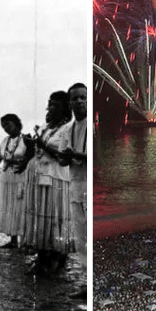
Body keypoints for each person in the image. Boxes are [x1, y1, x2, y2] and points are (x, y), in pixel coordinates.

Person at [21, 91, 72, 275]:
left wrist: (41, 144)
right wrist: (31, 144)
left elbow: (63, 153)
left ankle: (57, 257)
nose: (50, 108)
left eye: (56, 105)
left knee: (54, 216)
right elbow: (40, 147)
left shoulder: (68, 128)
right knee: (41, 216)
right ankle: (43, 256)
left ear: (64, 109)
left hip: (55, 178)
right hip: (40, 176)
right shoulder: (46, 126)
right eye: (49, 104)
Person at [61, 83, 87, 296]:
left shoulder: (90, 126)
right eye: (75, 98)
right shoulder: (68, 129)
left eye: (82, 98)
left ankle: (89, 282)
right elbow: (62, 160)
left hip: (87, 185)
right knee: (80, 238)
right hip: (74, 186)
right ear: (69, 103)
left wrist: (74, 156)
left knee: (88, 234)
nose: (79, 101)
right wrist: (64, 156)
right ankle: (86, 281)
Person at [0, 113, 28, 248]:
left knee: (20, 207)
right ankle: (12, 240)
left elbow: (29, 158)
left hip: (20, 176)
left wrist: (16, 160)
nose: (6, 128)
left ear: (16, 123)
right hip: (6, 177)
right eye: (3, 126)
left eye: (8, 124)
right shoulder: (5, 140)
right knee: (9, 206)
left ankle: (24, 241)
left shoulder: (26, 139)